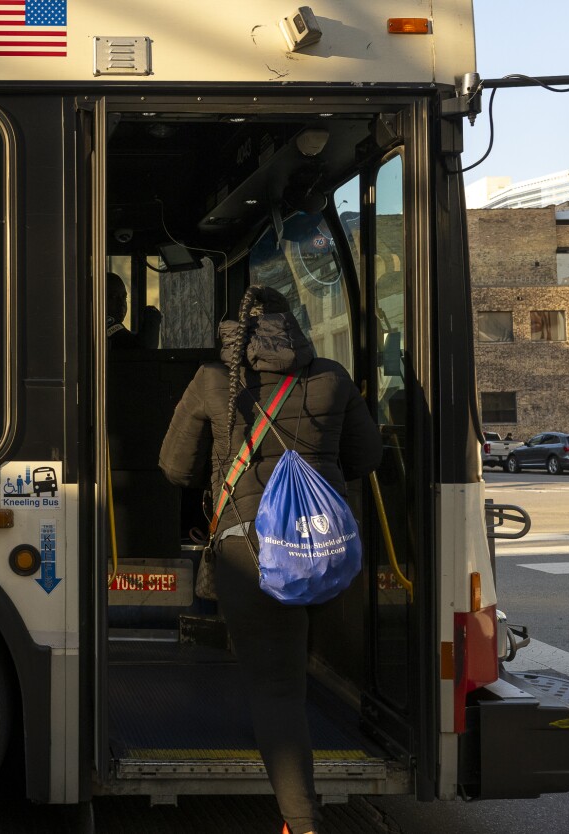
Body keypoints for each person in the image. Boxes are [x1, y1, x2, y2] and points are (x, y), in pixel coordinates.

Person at [158, 284, 382, 834]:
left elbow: (175, 468)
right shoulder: (330, 378)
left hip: (249, 552)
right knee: (294, 678)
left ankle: (301, 821)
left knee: (275, 690)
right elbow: (367, 456)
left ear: (238, 335)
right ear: (297, 328)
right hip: (325, 550)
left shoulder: (215, 381)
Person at [105, 272, 140, 350]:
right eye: (113, 297)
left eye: (124, 297)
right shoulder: (102, 323)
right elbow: (138, 347)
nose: (122, 303)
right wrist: (152, 320)